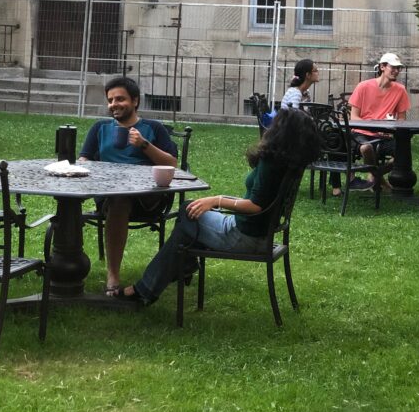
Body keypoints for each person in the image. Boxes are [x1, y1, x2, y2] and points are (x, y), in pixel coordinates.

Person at [114, 105, 320, 305]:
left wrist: (216, 200)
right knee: (192, 212)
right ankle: (179, 266)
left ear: (281, 131)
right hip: (261, 235)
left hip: (243, 237)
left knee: (187, 211)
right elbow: (263, 203)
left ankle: (146, 288)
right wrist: (212, 203)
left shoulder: (272, 161)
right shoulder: (290, 163)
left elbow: (256, 206)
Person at [78, 75, 178, 296]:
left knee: (121, 199)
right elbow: (83, 160)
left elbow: (172, 164)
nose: (114, 104)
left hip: (147, 198)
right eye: (111, 100)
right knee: (116, 200)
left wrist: (144, 145)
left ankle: (111, 275)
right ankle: (111, 274)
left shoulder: (153, 128)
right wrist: (90, 167)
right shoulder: (100, 128)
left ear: (135, 101)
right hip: (110, 196)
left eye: (120, 99)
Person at [348, 52, 410, 191]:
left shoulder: (400, 90)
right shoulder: (363, 86)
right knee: (366, 148)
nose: (396, 71)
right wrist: (374, 127)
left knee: (404, 155)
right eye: (393, 67)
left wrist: (392, 127)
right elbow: (354, 117)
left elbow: (401, 119)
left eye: (398, 68)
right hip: (361, 132)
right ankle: (380, 181)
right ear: (382, 67)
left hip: (385, 135)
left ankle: (375, 176)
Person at [261, 58, 320, 128]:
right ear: (308, 75)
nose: (318, 72)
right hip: (289, 133)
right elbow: (293, 119)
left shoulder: (302, 91)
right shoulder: (296, 94)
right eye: (315, 71)